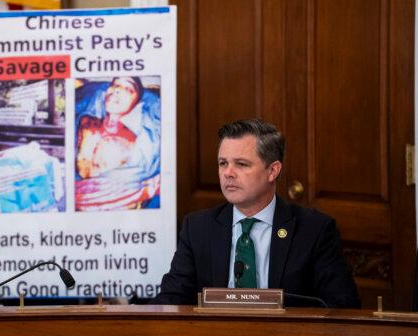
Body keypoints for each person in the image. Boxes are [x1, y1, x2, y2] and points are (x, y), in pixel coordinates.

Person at [153, 118, 360, 307]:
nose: (227, 173)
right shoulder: (197, 228)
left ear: (273, 171)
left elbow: (342, 306)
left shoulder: (314, 230)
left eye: (241, 164)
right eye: (223, 163)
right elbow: (171, 300)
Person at [75, 77, 161, 210]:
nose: (116, 90)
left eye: (128, 89)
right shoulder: (88, 123)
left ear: (136, 103)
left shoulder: (131, 141)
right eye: (114, 85)